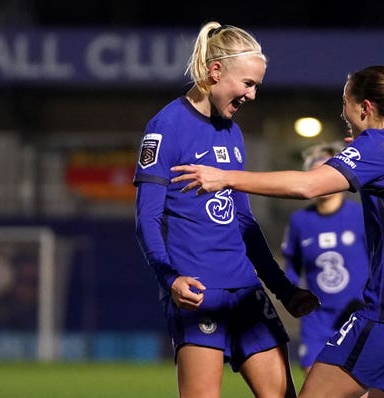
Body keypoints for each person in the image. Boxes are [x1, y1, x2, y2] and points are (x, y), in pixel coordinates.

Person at [171, 65, 384, 397]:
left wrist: (226, 177)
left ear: (365, 108)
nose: (342, 112)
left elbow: (307, 186)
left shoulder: (379, 147)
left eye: (345, 102)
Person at [133, 21, 320, 398]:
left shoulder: (232, 132)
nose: (252, 95)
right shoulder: (165, 127)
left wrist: (283, 290)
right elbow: (146, 220)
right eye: (247, 84)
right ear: (215, 72)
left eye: (257, 86)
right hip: (199, 293)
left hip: (246, 291)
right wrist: (170, 279)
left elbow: (244, 222)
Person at [282, 142, 369, 375]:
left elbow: (380, 260)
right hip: (316, 319)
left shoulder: (360, 216)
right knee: (315, 386)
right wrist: (290, 296)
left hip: (356, 316)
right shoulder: (300, 221)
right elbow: (291, 267)